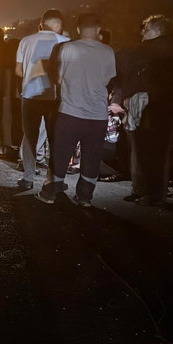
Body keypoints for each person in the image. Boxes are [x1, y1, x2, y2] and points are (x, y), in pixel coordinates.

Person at [35, 13, 116, 206]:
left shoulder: (67, 48)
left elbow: (58, 78)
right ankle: (85, 197)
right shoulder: (108, 51)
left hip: (70, 112)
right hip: (97, 115)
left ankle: (50, 193)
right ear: (98, 30)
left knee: (61, 153)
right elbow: (107, 79)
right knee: (92, 156)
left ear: (79, 30)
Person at [115, 15, 173, 206]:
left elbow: (135, 75)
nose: (143, 32)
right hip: (165, 106)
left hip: (153, 106)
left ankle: (150, 194)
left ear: (157, 31)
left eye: (146, 29)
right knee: (150, 150)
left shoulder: (151, 50)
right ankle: (145, 191)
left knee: (148, 151)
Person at [14, 9, 70, 190]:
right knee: (55, 139)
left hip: (30, 96)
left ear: (42, 23)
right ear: (59, 25)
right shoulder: (65, 43)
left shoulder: (26, 41)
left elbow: (18, 71)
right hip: (54, 97)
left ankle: (28, 178)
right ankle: (53, 179)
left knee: (30, 136)